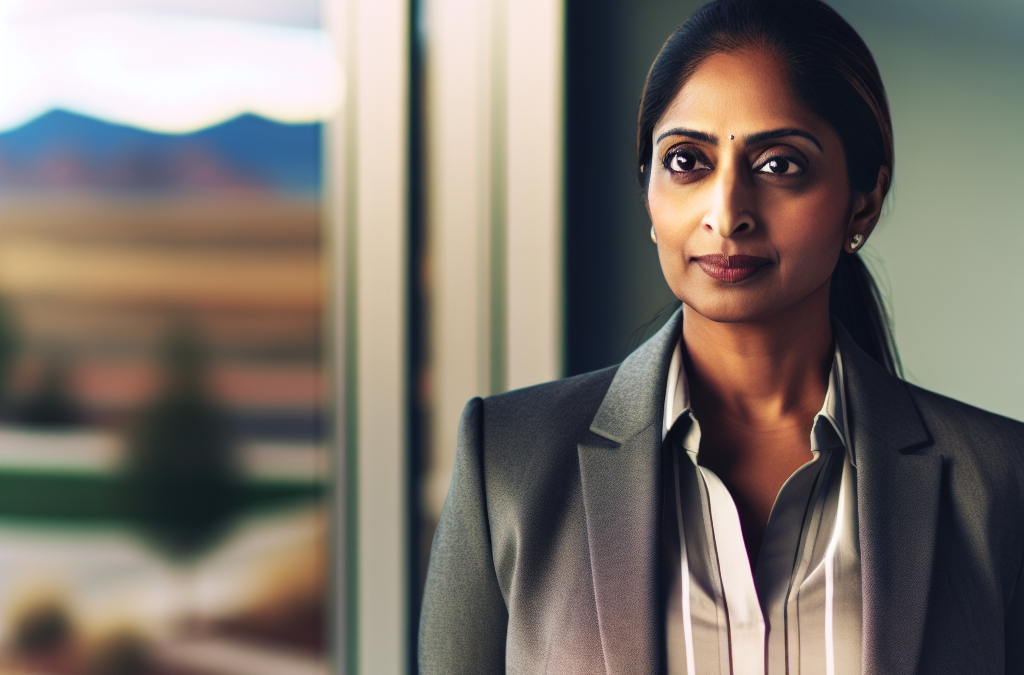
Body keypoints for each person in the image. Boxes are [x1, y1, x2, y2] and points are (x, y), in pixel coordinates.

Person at [418, 0, 1024, 672]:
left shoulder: (1000, 481)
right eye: (687, 160)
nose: (727, 213)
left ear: (864, 201)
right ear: (648, 191)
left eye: (779, 165)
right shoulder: (507, 465)